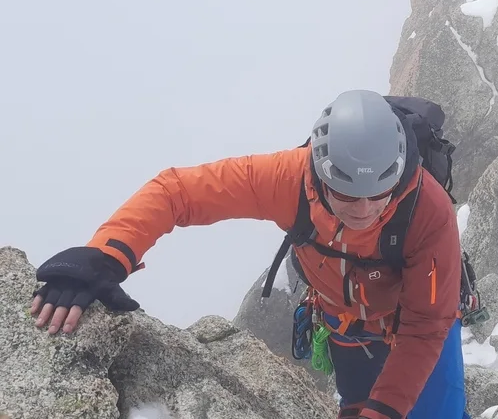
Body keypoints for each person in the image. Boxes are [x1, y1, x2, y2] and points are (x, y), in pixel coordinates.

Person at [29, 89, 468, 419]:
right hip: (344, 322)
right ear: (319, 171)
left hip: (418, 326)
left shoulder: (427, 209)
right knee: (355, 406)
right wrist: (109, 253)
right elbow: (177, 192)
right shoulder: (290, 180)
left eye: (380, 196)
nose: (365, 211)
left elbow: (426, 327)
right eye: (348, 196)